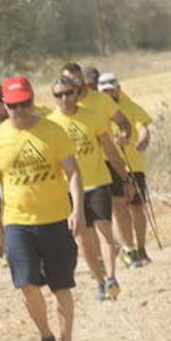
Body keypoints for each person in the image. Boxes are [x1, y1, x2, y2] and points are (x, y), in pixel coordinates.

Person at [0, 76, 86, 341]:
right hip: (18, 223)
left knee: (61, 286)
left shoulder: (53, 131)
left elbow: (74, 173)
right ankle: (46, 336)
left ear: (32, 100)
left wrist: (77, 210)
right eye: (14, 105)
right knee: (26, 284)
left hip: (55, 220)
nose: (21, 110)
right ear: (4, 105)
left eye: (25, 103)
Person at [46, 75, 131, 301]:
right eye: (59, 95)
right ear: (54, 98)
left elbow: (110, 151)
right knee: (84, 237)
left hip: (98, 182)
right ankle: (100, 281)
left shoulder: (92, 117)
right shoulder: (51, 124)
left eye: (68, 93)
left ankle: (112, 277)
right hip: (69, 190)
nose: (65, 98)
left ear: (77, 93)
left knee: (104, 229)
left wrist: (124, 177)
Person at [61, 63, 135, 262]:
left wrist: (125, 135)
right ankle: (105, 254)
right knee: (90, 219)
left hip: (109, 159)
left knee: (119, 204)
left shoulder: (101, 100)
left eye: (76, 79)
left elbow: (124, 122)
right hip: (81, 167)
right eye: (68, 80)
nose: (73, 84)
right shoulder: (62, 107)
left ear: (83, 80)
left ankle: (129, 249)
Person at [100, 73, 156, 265]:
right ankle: (128, 248)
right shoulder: (98, 111)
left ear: (118, 88)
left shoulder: (131, 106)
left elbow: (143, 128)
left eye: (111, 89)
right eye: (104, 90)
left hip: (134, 165)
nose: (108, 93)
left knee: (137, 207)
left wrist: (142, 141)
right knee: (118, 207)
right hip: (111, 165)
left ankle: (141, 249)